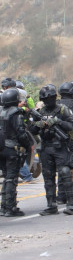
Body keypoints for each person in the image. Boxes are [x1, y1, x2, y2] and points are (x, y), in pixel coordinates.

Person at [30, 84, 73, 216]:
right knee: (48, 177)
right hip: (46, 148)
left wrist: (57, 121)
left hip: (60, 147)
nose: (48, 100)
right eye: (46, 98)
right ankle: (51, 205)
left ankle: (71, 204)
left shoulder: (63, 109)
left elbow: (70, 125)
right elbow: (32, 130)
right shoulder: (40, 112)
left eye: (51, 98)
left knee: (65, 173)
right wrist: (39, 124)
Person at [0, 88, 30, 216]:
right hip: (12, 149)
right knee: (11, 178)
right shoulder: (16, 114)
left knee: (7, 177)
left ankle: (3, 206)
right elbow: (21, 133)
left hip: (1, 149)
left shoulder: (1, 112)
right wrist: (27, 145)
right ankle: (10, 208)